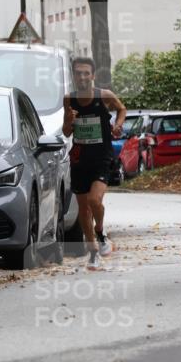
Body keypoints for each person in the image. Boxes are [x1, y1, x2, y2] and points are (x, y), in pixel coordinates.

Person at [62, 56, 126, 270]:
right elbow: (66, 131)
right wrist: (69, 120)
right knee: (83, 209)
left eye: (86, 73)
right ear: (74, 75)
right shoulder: (69, 99)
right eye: (78, 73)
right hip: (80, 158)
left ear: (93, 75)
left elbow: (122, 109)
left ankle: (100, 231)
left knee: (94, 201)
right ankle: (93, 253)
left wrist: (117, 125)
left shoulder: (104, 96)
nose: (82, 76)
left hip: (101, 157)